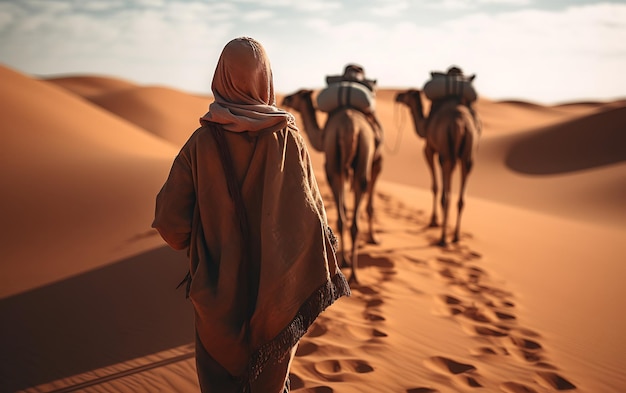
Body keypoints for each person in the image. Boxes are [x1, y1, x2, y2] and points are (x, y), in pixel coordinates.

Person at [152, 37, 351, 393]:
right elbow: (315, 223)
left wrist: (205, 246)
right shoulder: (289, 139)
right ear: (266, 80)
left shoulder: (200, 144)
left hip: (216, 301)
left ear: (222, 77)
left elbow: (170, 225)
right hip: (280, 300)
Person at [327, 63, 385, 146]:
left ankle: (324, 135)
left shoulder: (337, 89)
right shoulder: (365, 89)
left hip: (338, 110)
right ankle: (376, 134)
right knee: (376, 129)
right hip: (363, 110)